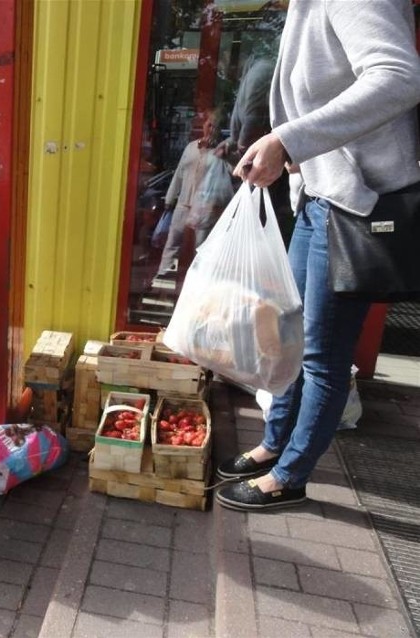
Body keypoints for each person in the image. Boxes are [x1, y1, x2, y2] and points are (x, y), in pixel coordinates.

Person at [216, 0, 420, 512]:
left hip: (354, 208)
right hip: (317, 198)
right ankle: (274, 442)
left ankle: (291, 475)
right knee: (290, 333)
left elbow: (398, 76)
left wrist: (288, 140)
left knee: (322, 356)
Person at [152, 108, 233, 289]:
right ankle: (163, 280)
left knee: (201, 248)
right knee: (173, 242)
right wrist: (170, 198)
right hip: (183, 204)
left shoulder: (221, 151)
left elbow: (230, 175)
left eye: (216, 127)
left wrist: (221, 152)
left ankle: (198, 286)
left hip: (205, 209)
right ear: (204, 125)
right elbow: (179, 173)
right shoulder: (191, 147)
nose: (211, 129)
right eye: (209, 125)